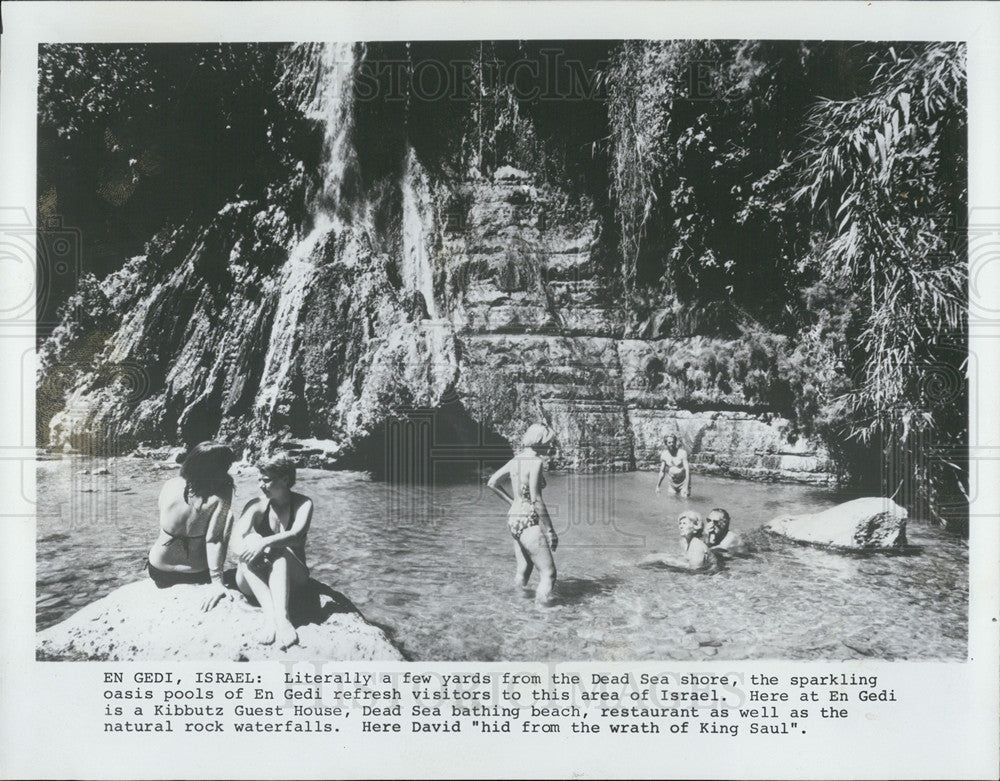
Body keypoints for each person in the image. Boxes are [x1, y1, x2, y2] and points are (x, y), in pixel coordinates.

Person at [234, 456, 313, 650]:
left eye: (266, 480)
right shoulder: (256, 505)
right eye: (259, 479)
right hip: (255, 581)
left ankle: (282, 618)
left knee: (278, 548)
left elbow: (295, 535)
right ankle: (272, 617)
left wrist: (265, 543)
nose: (261, 485)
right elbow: (235, 540)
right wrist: (252, 546)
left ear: (285, 479)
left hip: (294, 579)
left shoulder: (303, 504)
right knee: (250, 541)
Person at [147, 441, 236, 612]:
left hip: (158, 570)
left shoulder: (171, 484)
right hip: (195, 574)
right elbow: (215, 539)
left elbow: (162, 518)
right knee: (228, 519)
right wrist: (217, 582)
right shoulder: (220, 494)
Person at [487, 423, 559, 606]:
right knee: (549, 574)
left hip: (513, 519)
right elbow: (536, 500)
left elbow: (492, 482)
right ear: (539, 441)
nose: (551, 446)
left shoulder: (516, 460)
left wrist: (513, 502)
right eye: (549, 442)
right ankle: (542, 614)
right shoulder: (535, 463)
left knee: (524, 569)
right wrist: (550, 530)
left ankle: (518, 607)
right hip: (527, 520)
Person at [656, 434, 691, 498]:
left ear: (675, 442)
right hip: (672, 484)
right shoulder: (664, 455)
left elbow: (687, 471)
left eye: (673, 442)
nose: (672, 444)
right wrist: (658, 486)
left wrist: (686, 487)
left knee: (685, 502)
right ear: (666, 444)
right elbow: (662, 472)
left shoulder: (682, 453)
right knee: (672, 503)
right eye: (669, 442)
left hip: (683, 483)